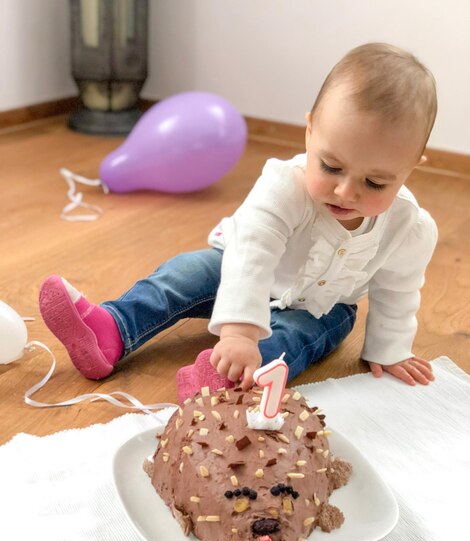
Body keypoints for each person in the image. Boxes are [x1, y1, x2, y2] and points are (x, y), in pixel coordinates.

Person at [39, 42, 438, 392]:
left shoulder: (410, 228)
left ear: (409, 169)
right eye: (331, 167)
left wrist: (391, 349)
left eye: (375, 182)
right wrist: (239, 330)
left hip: (323, 305)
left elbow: (398, 291)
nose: (346, 192)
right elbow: (252, 251)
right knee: (183, 275)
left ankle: (229, 378)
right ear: (310, 132)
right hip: (236, 263)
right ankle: (110, 328)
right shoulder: (285, 186)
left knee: (298, 338)